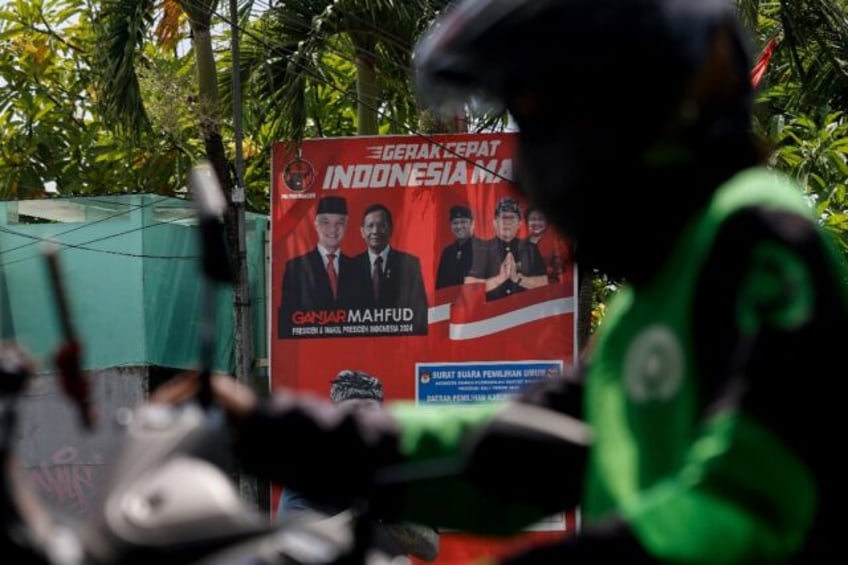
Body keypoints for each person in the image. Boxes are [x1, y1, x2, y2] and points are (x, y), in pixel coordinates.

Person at [155, 0, 841, 562]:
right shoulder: (649, 299)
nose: (519, 171)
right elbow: (513, 453)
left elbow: (744, 504)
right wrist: (282, 433)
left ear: (639, 112)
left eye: (542, 121)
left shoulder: (758, 239)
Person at [275, 370, 440, 562]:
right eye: (352, 410)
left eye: (369, 408)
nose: (361, 417)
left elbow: (430, 549)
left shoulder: (400, 468)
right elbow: (292, 540)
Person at [278, 196, 357, 337]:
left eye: (339, 222)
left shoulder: (357, 268)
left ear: (346, 225)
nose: (333, 229)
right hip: (310, 346)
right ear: (316, 224)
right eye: (325, 222)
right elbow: (287, 319)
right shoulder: (296, 268)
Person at [353, 203, 428, 333]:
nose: (375, 231)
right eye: (370, 226)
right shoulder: (351, 266)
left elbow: (420, 313)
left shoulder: (409, 264)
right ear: (362, 231)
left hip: (399, 341)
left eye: (381, 225)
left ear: (391, 229)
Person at [465, 196, 547, 300]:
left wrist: (518, 279)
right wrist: (499, 279)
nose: (507, 222)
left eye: (512, 218)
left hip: (525, 313)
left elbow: (544, 282)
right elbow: (469, 286)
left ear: (520, 224)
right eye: (503, 217)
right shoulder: (481, 248)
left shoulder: (530, 249)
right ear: (494, 222)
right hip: (492, 313)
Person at [435, 204, 482, 289]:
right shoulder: (447, 252)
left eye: (463, 222)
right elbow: (440, 287)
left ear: (472, 223)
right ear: (451, 226)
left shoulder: (483, 249)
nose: (459, 226)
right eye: (455, 223)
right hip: (450, 301)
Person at [525, 207, 570, 284]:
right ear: (527, 222)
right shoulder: (521, 244)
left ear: (547, 222)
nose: (536, 223)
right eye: (532, 219)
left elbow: (561, 266)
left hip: (549, 288)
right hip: (525, 290)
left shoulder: (556, 242)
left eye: (540, 219)